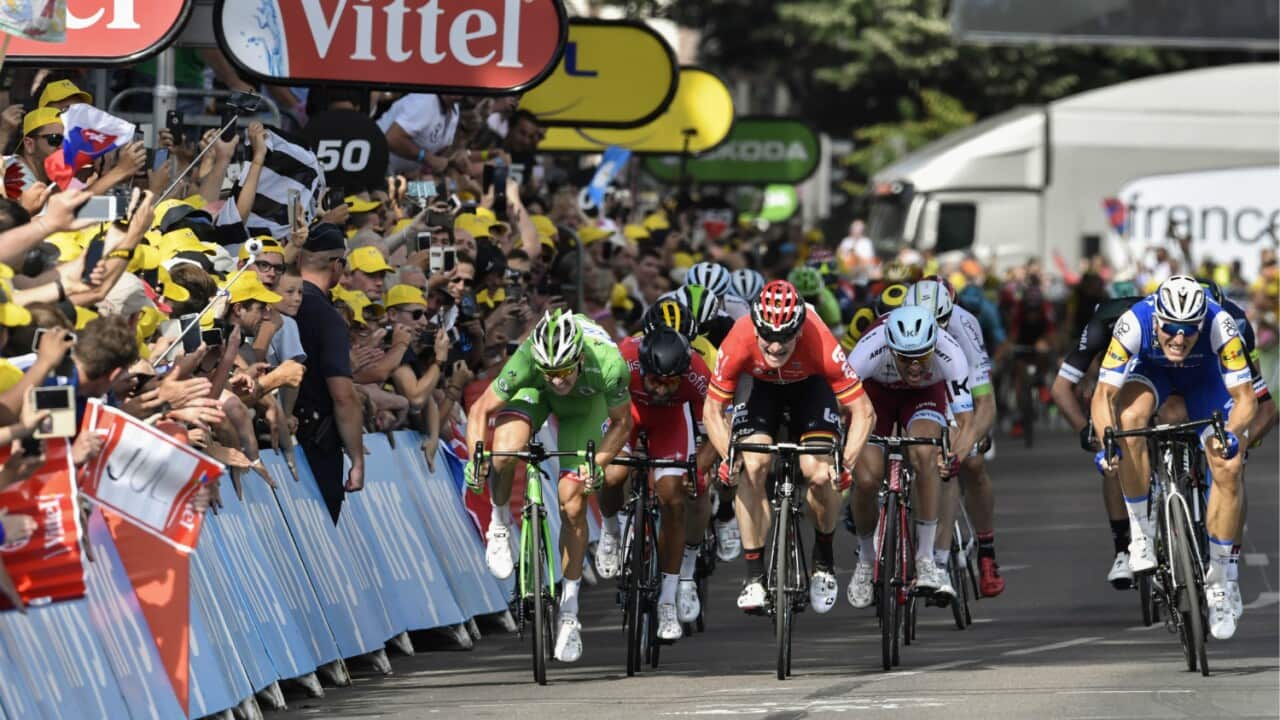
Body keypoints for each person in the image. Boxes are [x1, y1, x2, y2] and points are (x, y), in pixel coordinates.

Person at [463, 309, 633, 663]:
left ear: (580, 357)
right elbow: (480, 411)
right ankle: (499, 525)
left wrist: (596, 465)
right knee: (504, 453)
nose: (557, 380)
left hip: (585, 409)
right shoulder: (529, 360)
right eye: (550, 373)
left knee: (572, 504)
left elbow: (621, 423)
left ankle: (569, 612)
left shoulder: (608, 363)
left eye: (564, 371)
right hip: (532, 394)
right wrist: (475, 458)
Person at [1091, 276, 1256, 640]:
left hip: (1206, 383)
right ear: (1156, 320)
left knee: (1228, 466)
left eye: (1188, 330)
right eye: (1169, 328)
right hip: (1153, 375)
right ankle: (1142, 534)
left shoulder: (1220, 324)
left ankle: (1220, 579)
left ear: (1201, 323)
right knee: (1130, 422)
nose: (1178, 338)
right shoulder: (1134, 321)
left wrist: (1231, 435)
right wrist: (1106, 443)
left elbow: (1246, 399)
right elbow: (1103, 395)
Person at [703, 281, 874, 614]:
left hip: (810, 390)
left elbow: (864, 411)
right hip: (761, 390)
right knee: (750, 467)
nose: (776, 346)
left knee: (820, 474)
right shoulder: (739, 335)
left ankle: (823, 559)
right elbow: (712, 409)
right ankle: (754, 576)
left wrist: (847, 465)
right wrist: (729, 458)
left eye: (785, 337)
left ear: (799, 329)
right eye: (768, 336)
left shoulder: (819, 338)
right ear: (756, 328)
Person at [844, 305, 978, 606]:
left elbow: (966, 421)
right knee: (866, 478)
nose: (915, 366)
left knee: (925, 454)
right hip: (875, 395)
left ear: (934, 345)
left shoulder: (950, 352)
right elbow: (842, 405)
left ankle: (926, 558)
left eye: (922, 356)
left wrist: (954, 454)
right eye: (905, 358)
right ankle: (866, 559)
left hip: (925, 396)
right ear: (890, 347)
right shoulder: (868, 351)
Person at [595, 328, 715, 641]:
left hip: (670, 424)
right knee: (612, 475)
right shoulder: (624, 360)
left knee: (674, 500)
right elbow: (599, 406)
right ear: (643, 370)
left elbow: (715, 430)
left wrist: (696, 469)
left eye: (670, 382)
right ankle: (610, 530)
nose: (662, 389)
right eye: (656, 382)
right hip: (628, 416)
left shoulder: (696, 374)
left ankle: (666, 601)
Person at [907, 278, 1005, 597]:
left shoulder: (964, 325)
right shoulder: (898, 323)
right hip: (913, 388)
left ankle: (986, 551)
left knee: (969, 465)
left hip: (954, 389)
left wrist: (973, 438)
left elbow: (984, 399)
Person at [1050, 293, 1143, 588]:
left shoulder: (1150, 323)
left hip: (1155, 373)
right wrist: (1084, 429)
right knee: (1113, 454)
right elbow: (1061, 388)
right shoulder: (1099, 328)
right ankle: (1122, 550)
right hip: (1117, 382)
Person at [293, 223, 365, 523]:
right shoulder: (326, 317)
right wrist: (357, 458)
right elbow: (343, 396)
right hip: (315, 447)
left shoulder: (278, 305)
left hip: (282, 443)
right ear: (337, 265)